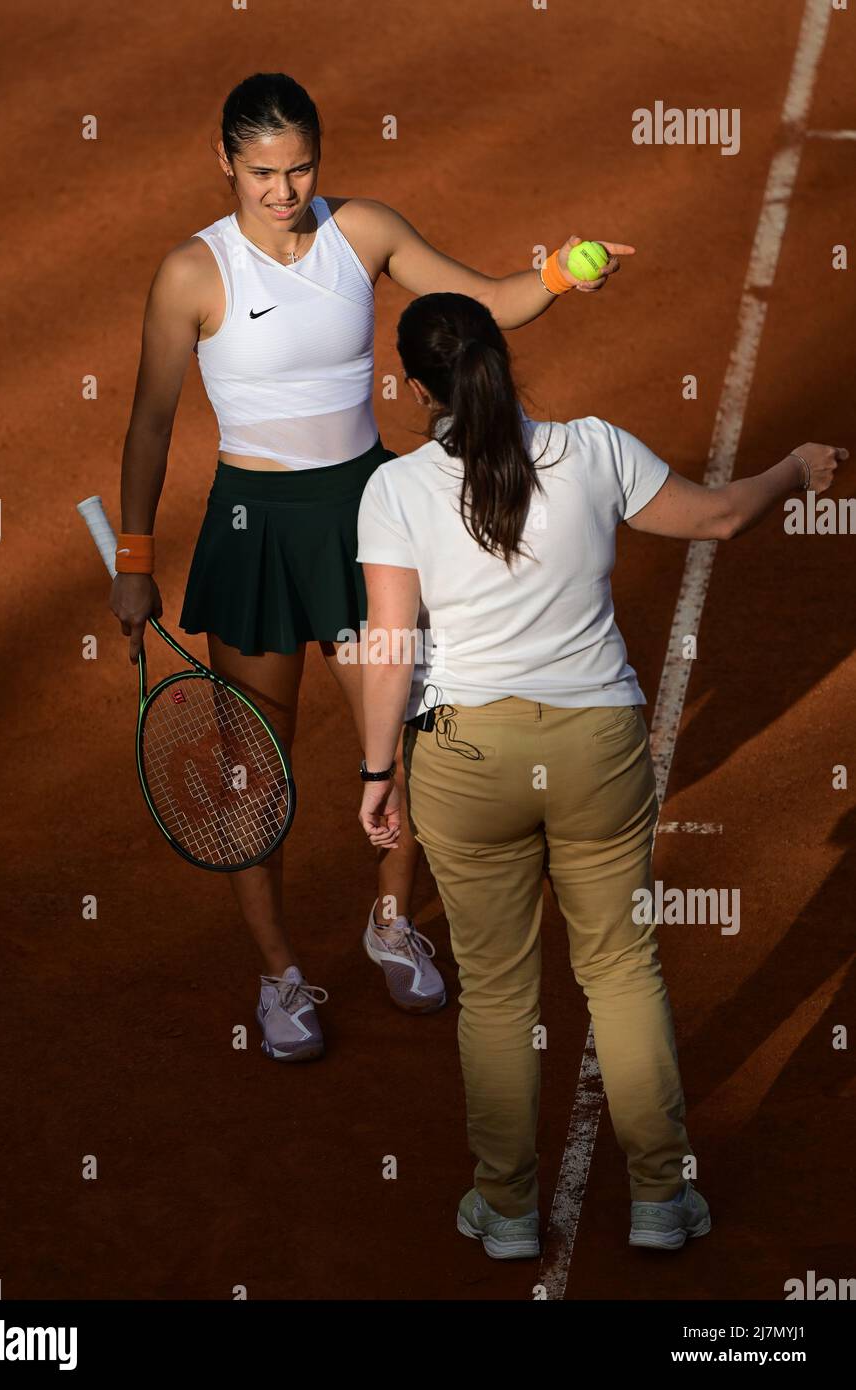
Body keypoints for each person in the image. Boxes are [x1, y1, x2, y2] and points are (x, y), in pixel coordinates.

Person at [109, 71, 635, 1061]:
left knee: (414, 741)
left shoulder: (365, 232)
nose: (283, 189)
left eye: (300, 164)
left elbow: (484, 301)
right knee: (248, 774)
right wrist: (135, 559)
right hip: (251, 536)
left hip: (366, 519)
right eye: (262, 169)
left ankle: (389, 922)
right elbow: (148, 423)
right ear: (224, 161)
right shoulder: (192, 274)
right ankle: (279, 980)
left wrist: (562, 273)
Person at [356, 289, 847, 1256]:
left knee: (496, 992)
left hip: (465, 759)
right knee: (622, 969)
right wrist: (794, 468)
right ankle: (663, 1199)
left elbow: (387, 644)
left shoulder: (396, 490)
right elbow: (716, 520)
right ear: (502, 358)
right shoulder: (594, 449)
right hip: (598, 751)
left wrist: (380, 770)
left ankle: (505, 1210)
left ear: (418, 388)